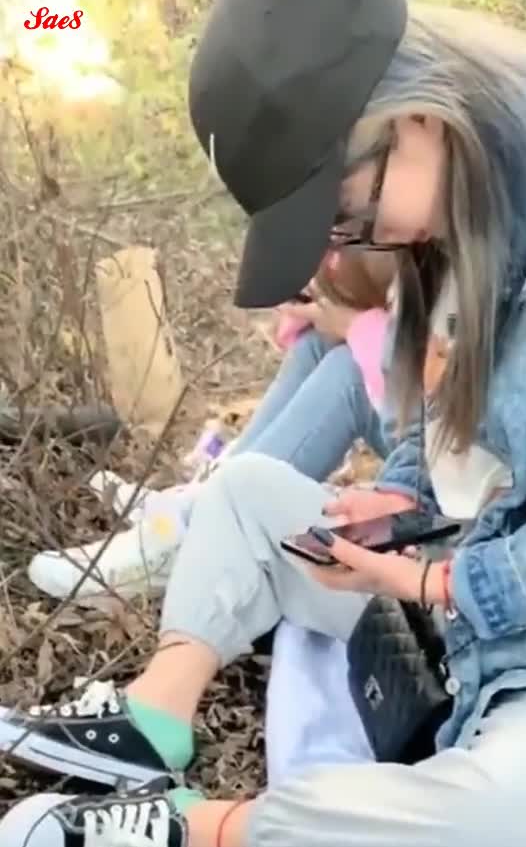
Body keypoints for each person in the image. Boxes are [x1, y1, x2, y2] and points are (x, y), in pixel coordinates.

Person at [1, 0, 526, 847]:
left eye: (344, 213)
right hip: (453, 578)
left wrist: (430, 582)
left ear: (415, 119)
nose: (355, 243)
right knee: (249, 489)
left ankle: (189, 827)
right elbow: (439, 414)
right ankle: (154, 718)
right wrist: (402, 502)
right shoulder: (462, 210)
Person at [27, 248, 397, 604]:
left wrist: (358, 326)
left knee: (348, 372)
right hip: (426, 425)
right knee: (318, 345)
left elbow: (429, 361)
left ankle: (197, 534)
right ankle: (203, 499)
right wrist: (321, 304)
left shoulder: (432, 224)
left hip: (434, 455)